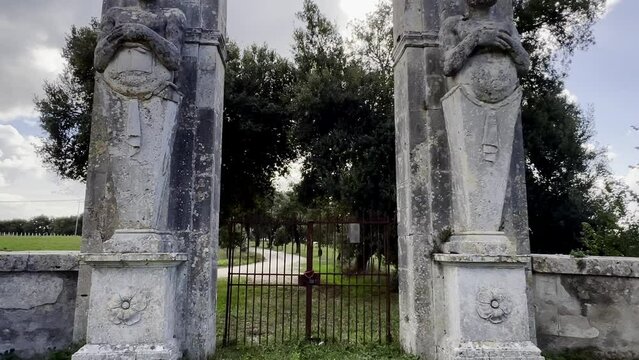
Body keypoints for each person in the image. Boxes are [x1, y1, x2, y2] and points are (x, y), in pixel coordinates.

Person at [440, 0, 530, 104]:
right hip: (467, 97)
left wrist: (509, 43)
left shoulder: (508, 25)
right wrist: (476, 38)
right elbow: (448, 67)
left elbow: (524, 66)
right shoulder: (454, 24)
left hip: (507, 97)